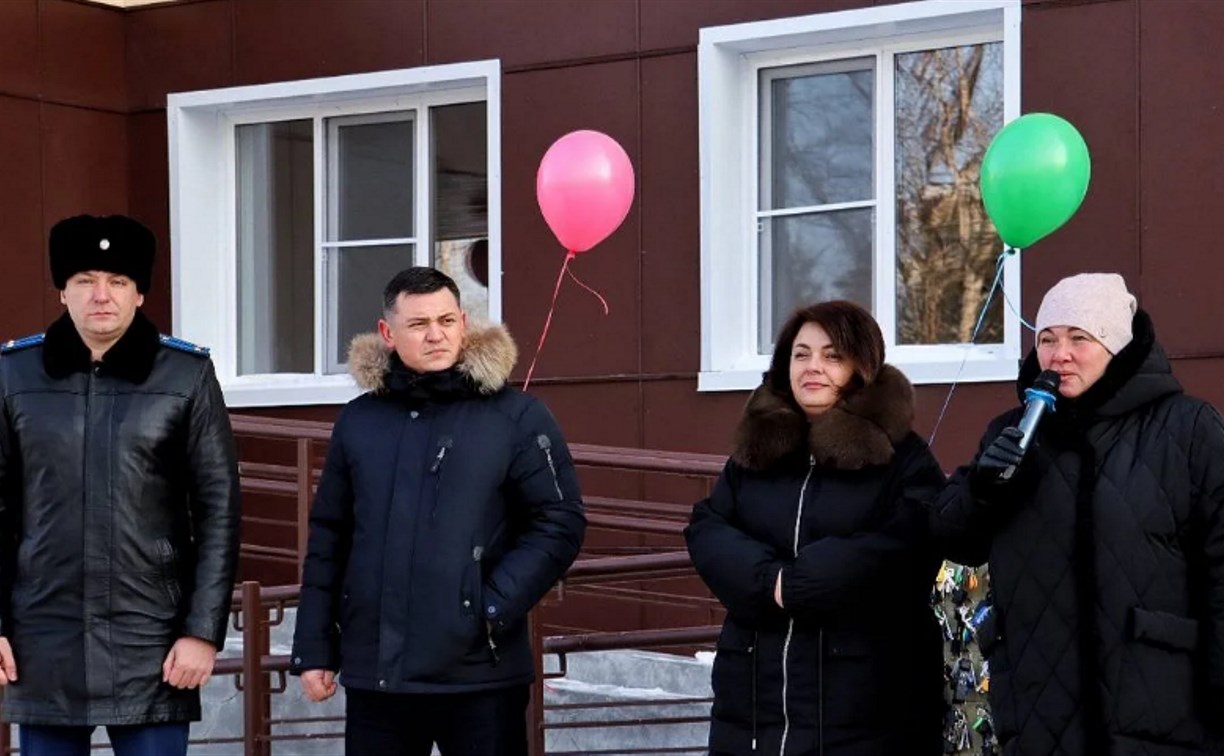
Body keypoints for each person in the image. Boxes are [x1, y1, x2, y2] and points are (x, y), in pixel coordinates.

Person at [291, 267, 586, 756]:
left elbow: (559, 522)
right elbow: (329, 536)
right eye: (419, 324)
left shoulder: (515, 416)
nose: (436, 335)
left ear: (463, 323)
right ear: (388, 333)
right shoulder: (359, 421)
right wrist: (314, 647)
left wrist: (489, 607)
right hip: (378, 675)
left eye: (447, 321)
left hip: (481, 675)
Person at [930, 272, 1224, 756]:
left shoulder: (1187, 429)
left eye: (1078, 338)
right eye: (1047, 339)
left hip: (1160, 710)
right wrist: (984, 488)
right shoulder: (1013, 432)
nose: (1058, 354)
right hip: (1039, 707)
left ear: (1115, 346)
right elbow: (952, 536)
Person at [0, 215, 241, 756]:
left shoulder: (186, 375)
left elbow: (218, 510)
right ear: (63, 291)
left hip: (152, 639)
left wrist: (202, 631)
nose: (101, 295)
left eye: (118, 281)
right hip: (43, 637)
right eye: (85, 280)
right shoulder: (13, 374)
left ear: (139, 293)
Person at [685, 300, 947, 756]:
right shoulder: (757, 450)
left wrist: (807, 582)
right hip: (754, 699)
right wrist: (769, 581)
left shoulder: (900, 455)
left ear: (861, 366)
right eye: (801, 354)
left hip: (863, 703)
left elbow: (908, 542)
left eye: (832, 355)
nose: (813, 367)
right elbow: (709, 527)